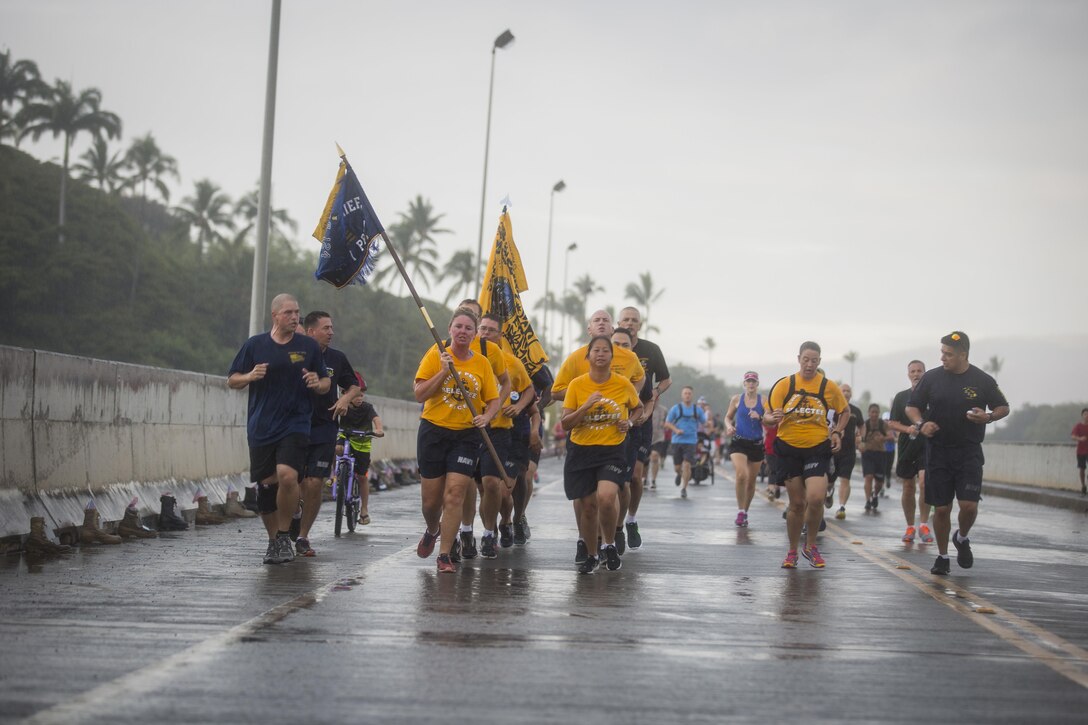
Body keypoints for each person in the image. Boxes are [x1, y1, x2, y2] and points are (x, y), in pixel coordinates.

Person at [228, 293, 330, 565]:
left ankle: (285, 534)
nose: (295, 317)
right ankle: (274, 540)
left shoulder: (308, 346)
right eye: (288, 313)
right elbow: (232, 380)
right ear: (275, 315)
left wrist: (315, 383)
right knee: (267, 485)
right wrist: (250, 376)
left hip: (295, 423)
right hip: (261, 426)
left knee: (287, 476)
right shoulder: (255, 345)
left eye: (297, 312)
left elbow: (325, 383)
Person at [905, 331, 1009, 576]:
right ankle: (942, 557)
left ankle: (961, 538)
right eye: (942, 353)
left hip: (968, 452)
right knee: (941, 509)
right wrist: (921, 425)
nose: (943, 358)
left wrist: (989, 416)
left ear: (963, 354)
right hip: (938, 451)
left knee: (969, 506)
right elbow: (912, 407)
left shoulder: (982, 380)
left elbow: (1003, 406)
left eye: (948, 354)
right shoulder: (931, 378)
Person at [413, 308, 500, 573]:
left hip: (465, 436)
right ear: (450, 329)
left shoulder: (482, 363)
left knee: (455, 495)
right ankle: (432, 529)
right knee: (431, 502)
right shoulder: (436, 354)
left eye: (468, 328)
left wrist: (487, 416)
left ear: (475, 334)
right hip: (433, 432)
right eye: (458, 327)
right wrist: (443, 371)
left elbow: (493, 399)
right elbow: (419, 394)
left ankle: (445, 554)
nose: (463, 331)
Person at [561, 336, 643, 574]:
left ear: (611, 356)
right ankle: (591, 553)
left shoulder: (622, 383)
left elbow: (637, 408)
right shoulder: (577, 385)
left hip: (612, 449)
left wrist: (629, 421)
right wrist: (585, 406)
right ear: (588, 356)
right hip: (582, 450)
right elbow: (566, 423)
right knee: (587, 506)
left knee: (606, 497)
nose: (600, 354)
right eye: (595, 350)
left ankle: (608, 544)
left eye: (605, 350)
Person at [765, 341, 850, 569]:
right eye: (806, 359)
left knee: (816, 498)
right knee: (797, 504)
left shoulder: (828, 387)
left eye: (814, 360)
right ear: (799, 359)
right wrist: (771, 419)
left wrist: (838, 432)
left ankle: (811, 546)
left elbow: (845, 411)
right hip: (789, 448)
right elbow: (767, 417)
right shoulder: (786, 385)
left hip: (817, 448)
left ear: (819, 362)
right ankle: (792, 550)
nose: (809, 364)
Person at [293, 311, 360, 557]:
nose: (331, 332)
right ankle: (294, 514)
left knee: (315, 481)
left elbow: (355, 385)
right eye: (326, 328)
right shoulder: (294, 354)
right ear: (310, 331)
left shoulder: (337, 358)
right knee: (293, 480)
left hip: (325, 426)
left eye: (332, 328)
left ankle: (303, 536)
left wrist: (345, 398)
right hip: (294, 425)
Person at [449, 300, 511, 561]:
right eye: (463, 317)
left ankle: (489, 532)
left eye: (474, 319)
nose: (470, 325)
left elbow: (505, 384)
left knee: (490, 483)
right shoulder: (444, 348)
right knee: (460, 484)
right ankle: (463, 531)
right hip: (456, 426)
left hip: (489, 428)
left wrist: (490, 413)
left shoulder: (490, 351)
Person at [476, 313, 535, 555]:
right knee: (484, 491)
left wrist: (519, 407)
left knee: (499, 490)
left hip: (503, 432)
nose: (486, 333)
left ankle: (505, 521)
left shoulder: (511, 362)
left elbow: (529, 390)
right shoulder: (469, 359)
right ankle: (489, 531)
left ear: (500, 335)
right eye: (483, 329)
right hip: (474, 431)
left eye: (491, 330)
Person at [616, 307, 671, 551]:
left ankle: (631, 519)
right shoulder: (609, 349)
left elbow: (666, 379)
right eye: (625, 319)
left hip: (641, 419)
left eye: (634, 321)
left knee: (635, 477)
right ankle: (613, 526)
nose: (629, 323)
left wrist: (654, 396)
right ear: (618, 322)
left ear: (640, 324)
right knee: (618, 478)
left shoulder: (650, 350)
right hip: (614, 419)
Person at [888, 360, 934, 542]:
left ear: (925, 373)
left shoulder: (932, 396)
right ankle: (910, 527)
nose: (916, 374)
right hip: (907, 447)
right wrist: (907, 429)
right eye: (913, 371)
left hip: (928, 446)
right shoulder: (901, 397)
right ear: (908, 374)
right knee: (908, 487)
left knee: (924, 482)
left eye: (919, 371)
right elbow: (891, 423)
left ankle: (923, 524)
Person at [337, 378, 384, 525]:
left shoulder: (367, 408)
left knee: (363, 477)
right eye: (356, 395)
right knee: (337, 449)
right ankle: (335, 475)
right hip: (345, 436)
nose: (359, 398)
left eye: (361, 395)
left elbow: (376, 419)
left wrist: (378, 429)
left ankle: (364, 509)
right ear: (345, 394)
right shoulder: (342, 406)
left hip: (362, 441)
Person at [724, 371, 765, 527]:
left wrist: (760, 417)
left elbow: (770, 422)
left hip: (756, 444)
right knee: (742, 475)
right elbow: (728, 417)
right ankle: (740, 511)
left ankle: (745, 512)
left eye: (754, 381)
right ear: (744, 384)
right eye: (748, 381)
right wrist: (729, 426)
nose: (751, 384)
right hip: (739, 442)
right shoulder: (736, 399)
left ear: (757, 384)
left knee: (751, 482)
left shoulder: (764, 401)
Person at [830, 383, 863, 520]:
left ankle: (842, 507)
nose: (846, 393)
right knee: (829, 480)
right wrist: (834, 431)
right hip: (832, 450)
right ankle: (828, 492)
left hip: (849, 451)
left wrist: (861, 436)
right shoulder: (832, 409)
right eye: (843, 390)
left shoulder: (855, 410)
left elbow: (862, 425)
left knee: (845, 479)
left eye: (848, 391)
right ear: (838, 392)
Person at [665, 386, 705, 498]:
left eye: (689, 393)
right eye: (685, 393)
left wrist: (710, 427)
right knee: (677, 467)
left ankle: (684, 488)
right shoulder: (675, 408)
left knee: (687, 465)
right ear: (682, 395)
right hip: (677, 440)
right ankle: (679, 474)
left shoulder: (697, 410)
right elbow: (667, 423)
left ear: (692, 395)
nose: (687, 395)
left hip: (691, 441)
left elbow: (704, 423)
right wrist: (676, 430)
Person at [859, 403, 894, 512]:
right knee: (868, 477)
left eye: (876, 412)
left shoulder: (883, 424)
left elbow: (891, 436)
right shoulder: (865, 425)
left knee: (879, 482)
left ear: (878, 414)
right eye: (872, 412)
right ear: (869, 413)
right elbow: (858, 438)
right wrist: (860, 445)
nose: (874, 414)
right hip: (868, 454)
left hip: (880, 454)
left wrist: (883, 438)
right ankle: (868, 500)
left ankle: (875, 494)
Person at [648, 400, 669, 490]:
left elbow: (669, 422)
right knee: (645, 461)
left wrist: (665, 424)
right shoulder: (646, 408)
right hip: (646, 437)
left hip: (658, 438)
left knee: (655, 456)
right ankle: (644, 478)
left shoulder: (664, 410)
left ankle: (653, 479)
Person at [1072, 409, 1088, 495]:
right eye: (1085, 414)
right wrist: (1080, 438)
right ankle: (1083, 486)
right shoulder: (1078, 426)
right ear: (1082, 415)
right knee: (1082, 469)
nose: (1087, 416)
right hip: (1081, 451)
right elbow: (1073, 436)